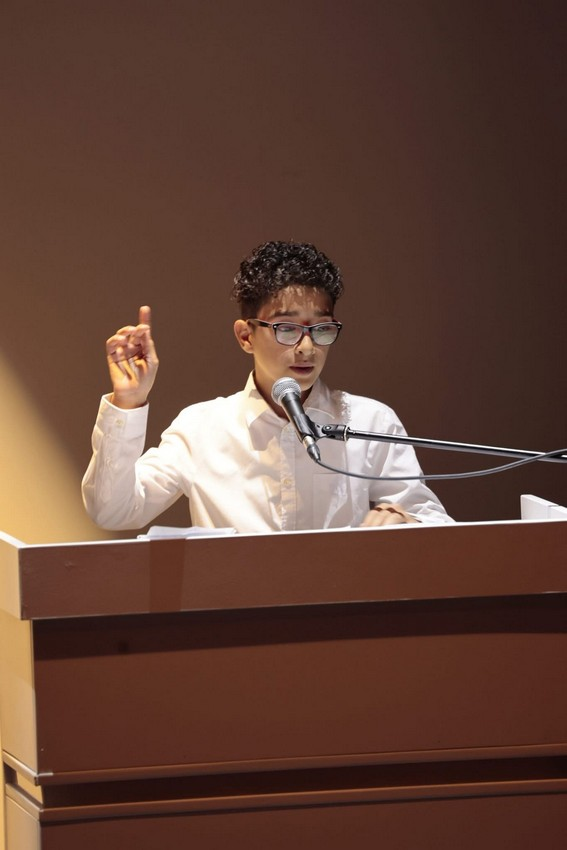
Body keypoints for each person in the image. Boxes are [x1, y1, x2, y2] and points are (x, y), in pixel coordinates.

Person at [82, 241, 452, 532]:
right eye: (287, 329)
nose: (306, 347)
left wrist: (403, 519)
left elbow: (432, 519)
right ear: (246, 336)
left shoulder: (369, 422)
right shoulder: (201, 428)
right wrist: (128, 402)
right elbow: (113, 512)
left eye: (321, 329)